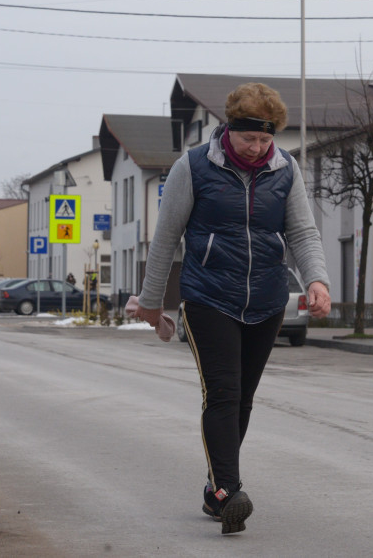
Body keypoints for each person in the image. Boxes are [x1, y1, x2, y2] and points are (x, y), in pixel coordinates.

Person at [134, 82, 331, 535]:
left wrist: (316, 280)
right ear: (229, 129)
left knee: (243, 397)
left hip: (266, 299)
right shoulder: (193, 166)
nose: (256, 147)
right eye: (248, 138)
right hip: (208, 297)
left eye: (264, 139)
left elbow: (302, 233)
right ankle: (228, 490)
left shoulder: (286, 169)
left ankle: (214, 487)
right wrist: (150, 302)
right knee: (222, 393)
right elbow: (166, 238)